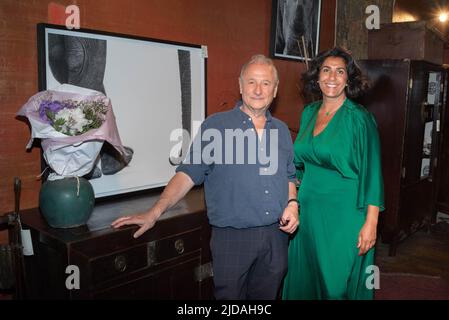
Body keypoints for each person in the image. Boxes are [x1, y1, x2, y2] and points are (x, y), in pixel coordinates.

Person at [112, 54, 299, 300]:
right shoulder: (216, 127)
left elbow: (289, 176)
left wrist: (293, 205)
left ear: (274, 90)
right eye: (251, 82)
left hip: (276, 238)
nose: (258, 90)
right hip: (232, 239)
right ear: (240, 86)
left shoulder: (282, 130)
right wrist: (155, 211)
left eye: (265, 83)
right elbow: (188, 174)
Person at [282, 47, 385, 300]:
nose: (332, 77)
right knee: (305, 280)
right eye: (326, 70)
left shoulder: (361, 119)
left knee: (335, 285)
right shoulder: (308, 113)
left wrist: (371, 223)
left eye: (340, 72)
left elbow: (373, 173)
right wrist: (292, 200)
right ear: (317, 77)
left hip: (345, 213)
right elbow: (297, 166)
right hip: (308, 213)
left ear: (348, 79)